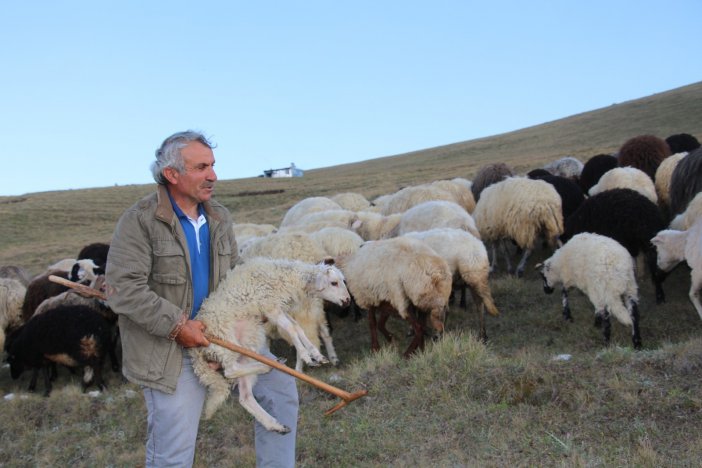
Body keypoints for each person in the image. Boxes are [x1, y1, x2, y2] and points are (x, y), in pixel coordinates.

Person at [106, 130, 299, 467]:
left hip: (226, 335)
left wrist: (258, 306)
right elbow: (123, 288)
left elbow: (235, 273)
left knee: (281, 392)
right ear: (172, 174)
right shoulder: (140, 221)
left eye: (213, 165)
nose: (213, 176)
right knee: (174, 450)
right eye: (201, 167)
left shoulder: (219, 217)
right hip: (170, 349)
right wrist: (178, 327)